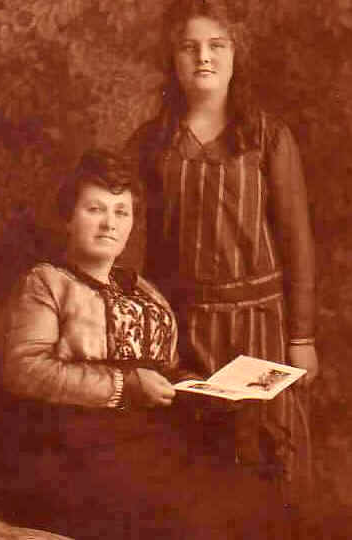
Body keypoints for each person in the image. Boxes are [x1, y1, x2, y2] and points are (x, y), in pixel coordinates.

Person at [0, 149, 290, 540]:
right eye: (95, 209)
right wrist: (126, 385)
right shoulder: (44, 283)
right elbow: (25, 370)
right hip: (63, 450)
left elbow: (166, 366)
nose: (109, 223)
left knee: (254, 500)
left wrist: (199, 386)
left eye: (121, 212)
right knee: (196, 519)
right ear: (68, 219)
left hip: (143, 439)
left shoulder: (143, 290)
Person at [126, 0, 318, 508]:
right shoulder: (152, 142)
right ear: (173, 60)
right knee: (194, 464)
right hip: (183, 328)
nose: (203, 58)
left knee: (267, 457)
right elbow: (134, 243)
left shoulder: (267, 137)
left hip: (260, 324)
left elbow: (297, 241)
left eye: (217, 45)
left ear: (236, 57)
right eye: (189, 47)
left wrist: (300, 336)